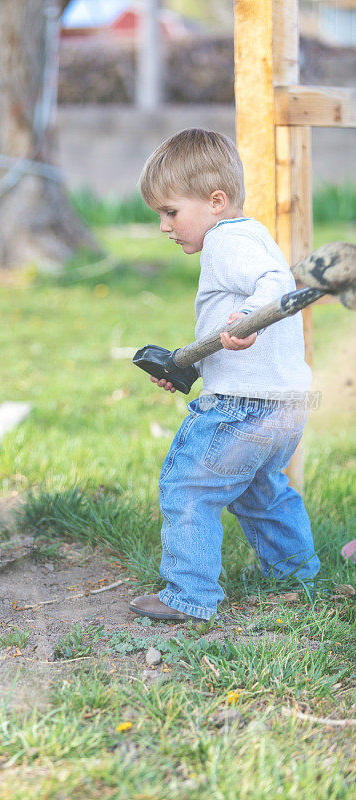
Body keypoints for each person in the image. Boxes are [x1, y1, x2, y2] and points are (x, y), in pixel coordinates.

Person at [129, 128, 320, 623]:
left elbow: (275, 286)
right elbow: (240, 324)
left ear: (215, 201)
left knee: (188, 487)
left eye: (171, 212)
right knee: (261, 491)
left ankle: (189, 596)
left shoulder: (224, 241)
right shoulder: (251, 235)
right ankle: (296, 574)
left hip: (240, 408)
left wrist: (251, 317)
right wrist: (190, 367)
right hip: (283, 406)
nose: (165, 227)